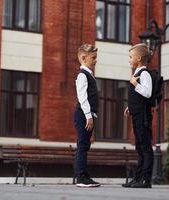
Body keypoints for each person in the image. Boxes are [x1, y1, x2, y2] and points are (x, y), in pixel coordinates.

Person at [122, 43, 153, 188]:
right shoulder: (137, 74)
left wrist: (135, 84)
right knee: (139, 147)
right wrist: (130, 107)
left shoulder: (144, 74)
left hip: (143, 117)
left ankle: (146, 180)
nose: (129, 60)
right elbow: (138, 97)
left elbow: (147, 93)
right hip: (137, 114)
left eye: (130, 57)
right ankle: (138, 178)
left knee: (145, 147)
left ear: (139, 58)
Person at [73, 44, 100, 187]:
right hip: (83, 115)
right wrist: (89, 116)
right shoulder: (83, 75)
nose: (96, 60)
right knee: (83, 145)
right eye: (93, 57)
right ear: (84, 58)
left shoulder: (88, 74)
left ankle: (83, 174)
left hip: (87, 115)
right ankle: (81, 177)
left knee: (84, 145)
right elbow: (82, 97)